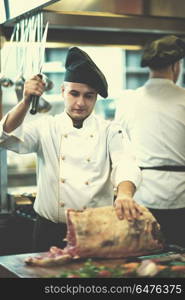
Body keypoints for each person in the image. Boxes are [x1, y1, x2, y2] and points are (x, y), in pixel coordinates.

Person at [0, 47, 142, 252]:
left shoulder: (110, 130)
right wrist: (25, 102)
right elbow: (4, 137)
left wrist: (125, 194)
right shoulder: (45, 127)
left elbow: (126, 163)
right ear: (63, 91)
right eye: (74, 94)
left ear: (95, 98)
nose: (80, 103)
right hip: (48, 231)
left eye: (89, 96)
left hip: (95, 230)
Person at [115, 35, 185, 248]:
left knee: (142, 261)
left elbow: (119, 149)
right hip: (181, 198)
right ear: (176, 66)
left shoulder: (127, 101)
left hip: (139, 198)